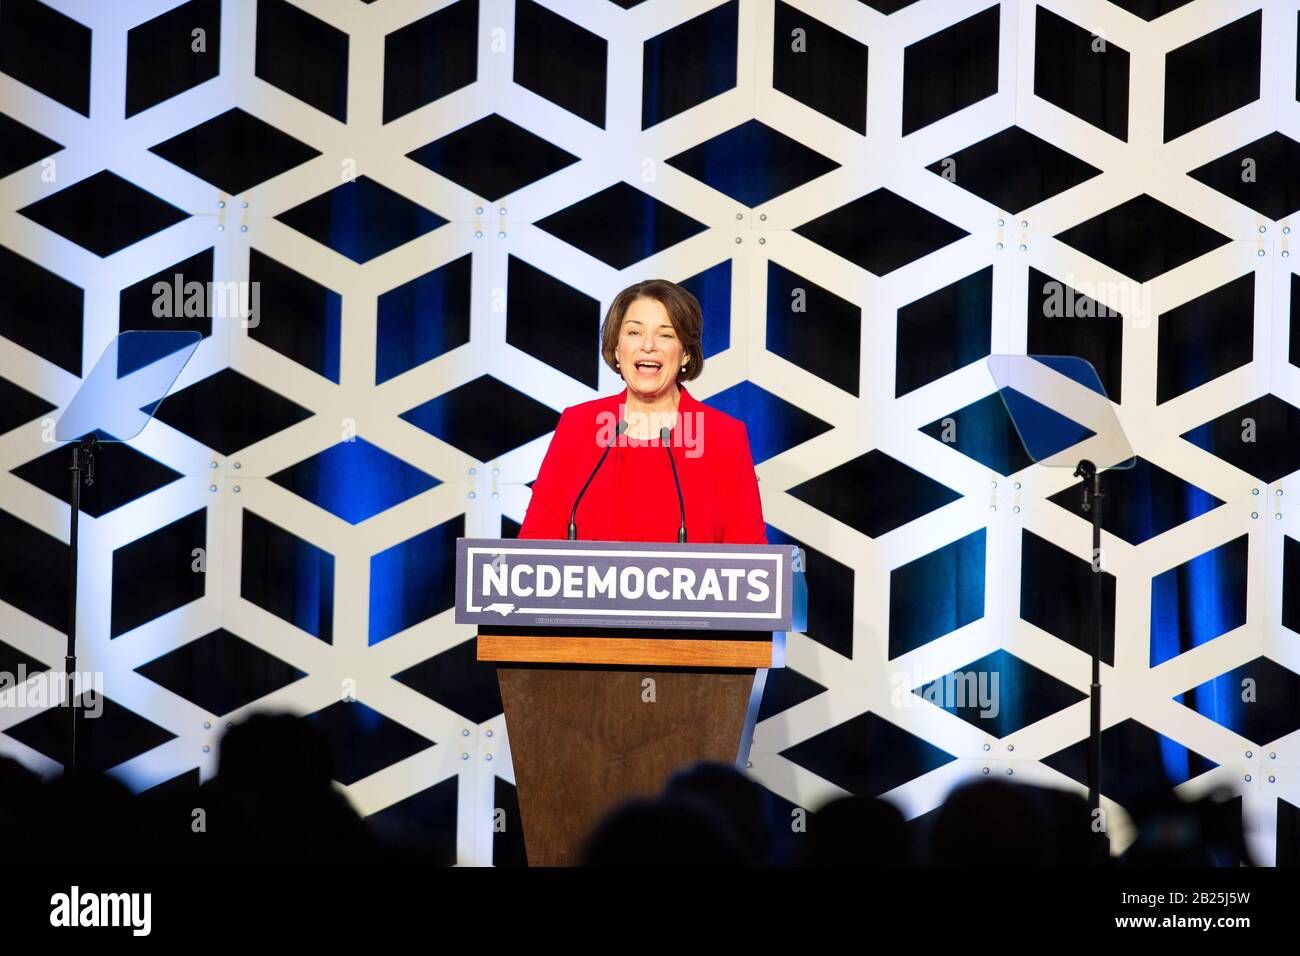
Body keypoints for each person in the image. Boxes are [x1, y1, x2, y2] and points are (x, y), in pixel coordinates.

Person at [519, 279, 766, 543]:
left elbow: (751, 558)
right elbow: (537, 538)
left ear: (685, 354)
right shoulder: (579, 425)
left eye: (666, 334)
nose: (648, 345)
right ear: (616, 347)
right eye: (634, 332)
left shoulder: (723, 436)